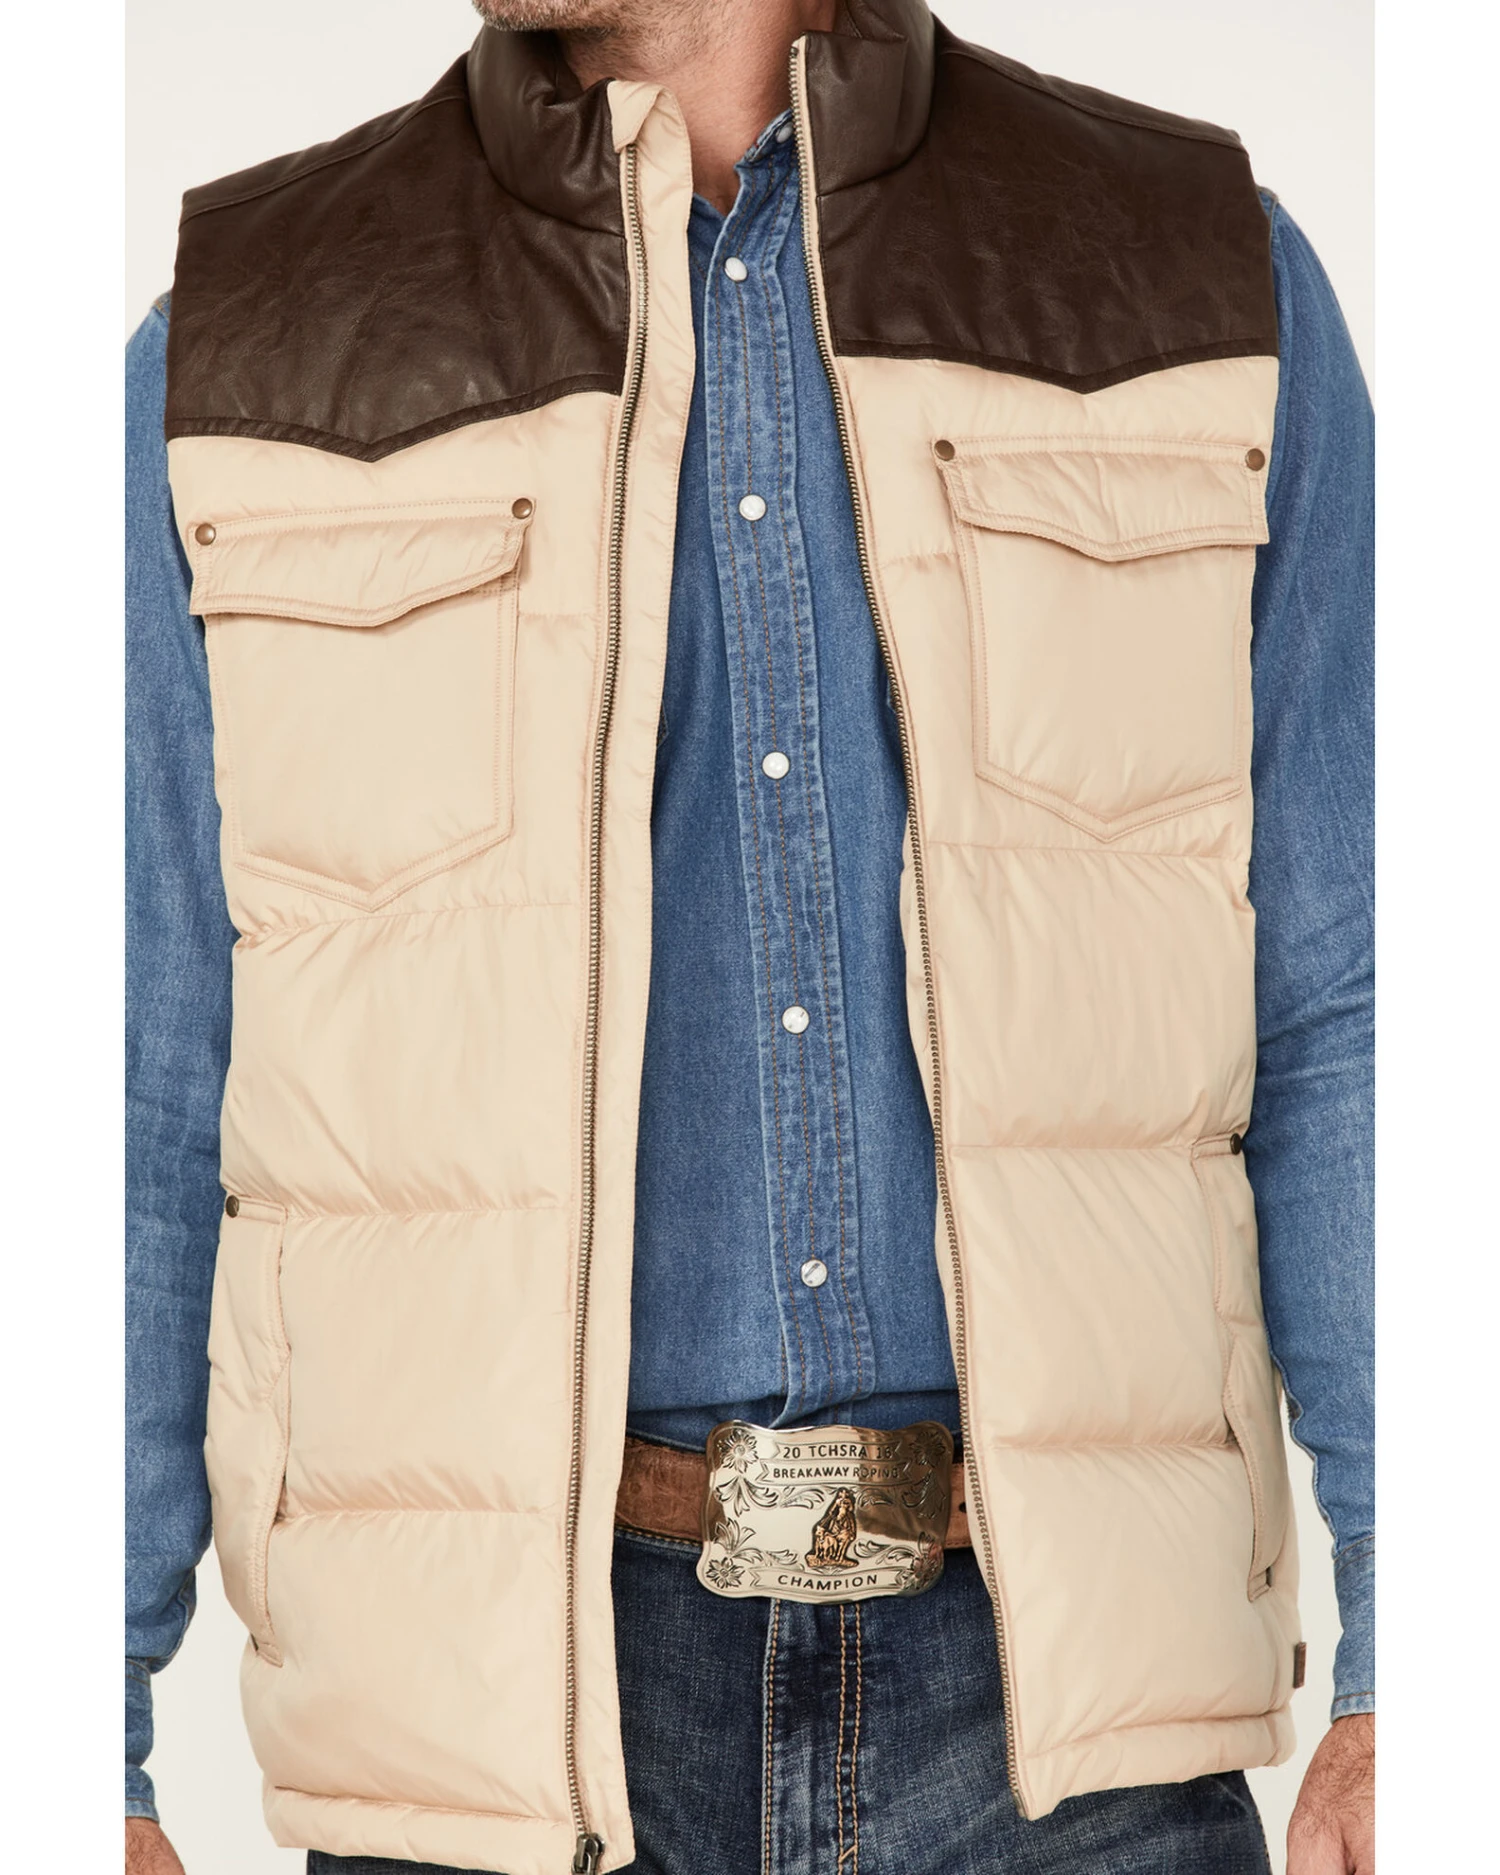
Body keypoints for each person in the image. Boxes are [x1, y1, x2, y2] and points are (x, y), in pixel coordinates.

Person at [124, 3, 1375, 1872]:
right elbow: (136, 1071)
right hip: (500, 1745)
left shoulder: (1196, 281)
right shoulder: (244, 349)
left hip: (1065, 1739)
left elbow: (1357, 1005)